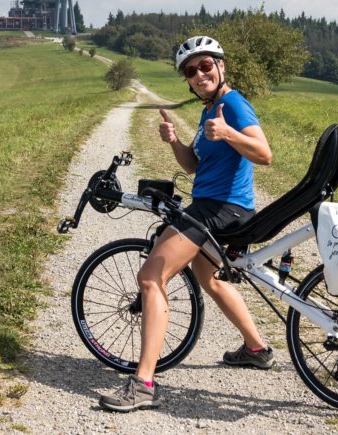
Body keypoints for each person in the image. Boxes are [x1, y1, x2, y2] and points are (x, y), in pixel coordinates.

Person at [100, 35, 275, 413]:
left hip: (221, 208)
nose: (199, 74)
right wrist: (175, 142)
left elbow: (265, 154)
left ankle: (143, 384)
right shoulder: (209, 108)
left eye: (205, 66)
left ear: (221, 66)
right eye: (191, 71)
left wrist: (228, 132)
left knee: (150, 278)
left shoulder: (233, 103)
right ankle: (257, 349)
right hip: (215, 204)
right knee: (206, 275)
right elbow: (195, 167)